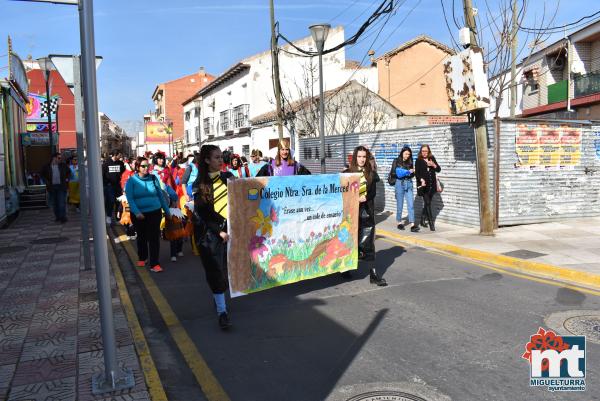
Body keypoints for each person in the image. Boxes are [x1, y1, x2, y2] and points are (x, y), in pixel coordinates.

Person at [192, 144, 234, 330]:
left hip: (229, 231)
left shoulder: (228, 178)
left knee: (225, 271)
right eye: (216, 157)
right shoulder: (199, 185)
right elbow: (204, 213)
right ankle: (222, 313)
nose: (220, 160)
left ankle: (218, 299)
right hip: (210, 235)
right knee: (216, 272)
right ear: (207, 160)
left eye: (221, 157)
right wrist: (219, 231)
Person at [344, 146, 387, 286]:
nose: (362, 159)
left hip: (366, 212)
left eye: (364, 157)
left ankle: (373, 275)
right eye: (359, 156)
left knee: (368, 244)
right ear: (355, 157)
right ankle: (345, 268)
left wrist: (366, 197)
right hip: (351, 213)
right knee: (349, 241)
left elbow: (373, 193)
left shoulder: (371, 174)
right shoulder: (347, 173)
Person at [126, 156, 171, 273]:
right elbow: (130, 198)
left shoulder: (153, 178)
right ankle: (142, 257)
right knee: (141, 237)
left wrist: (167, 210)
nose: (146, 168)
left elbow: (161, 196)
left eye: (147, 166)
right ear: (137, 167)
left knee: (154, 238)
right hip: (138, 214)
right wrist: (137, 212)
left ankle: (154, 263)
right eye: (143, 166)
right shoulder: (131, 181)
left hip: (154, 212)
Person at [390, 146, 419, 233]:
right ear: (402, 152)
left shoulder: (410, 161)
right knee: (400, 205)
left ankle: (412, 224)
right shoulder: (396, 160)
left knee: (411, 205)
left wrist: (412, 172)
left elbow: (412, 175)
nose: (407, 156)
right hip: (399, 183)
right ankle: (399, 222)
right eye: (406, 154)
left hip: (409, 183)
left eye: (409, 154)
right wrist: (404, 172)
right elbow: (393, 173)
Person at [415, 144, 441, 231]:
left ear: (428, 151)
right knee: (428, 203)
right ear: (420, 152)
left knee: (427, 203)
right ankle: (431, 224)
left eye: (426, 151)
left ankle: (422, 219)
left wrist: (434, 165)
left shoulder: (432, 158)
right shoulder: (418, 160)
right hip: (424, 186)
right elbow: (417, 173)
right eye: (423, 151)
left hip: (432, 186)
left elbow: (438, 169)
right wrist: (421, 179)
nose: (424, 153)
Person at [41, 152, 71, 223]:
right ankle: (57, 217)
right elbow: (42, 175)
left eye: (60, 158)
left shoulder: (63, 165)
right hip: (52, 187)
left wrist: (67, 179)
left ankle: (63, 217)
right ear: (54, 158)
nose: (60, 159)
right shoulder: (46, 166)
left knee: (61, 202)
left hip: (61, 186)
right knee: (55, 203)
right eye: (59, 158)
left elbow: (69, 172)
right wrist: (46, 182)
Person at [102, 150, 125, 224]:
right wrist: (106, 184)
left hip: (118, 186)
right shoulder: (106, 163)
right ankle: (108, 216)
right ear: (115, 155)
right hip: (109, 186)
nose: (120, 157)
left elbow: (123, 173)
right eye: (119, 155)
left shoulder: (121, 163)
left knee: (118, 202)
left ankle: (117, 218)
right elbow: (102, 174)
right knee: (110, 201)